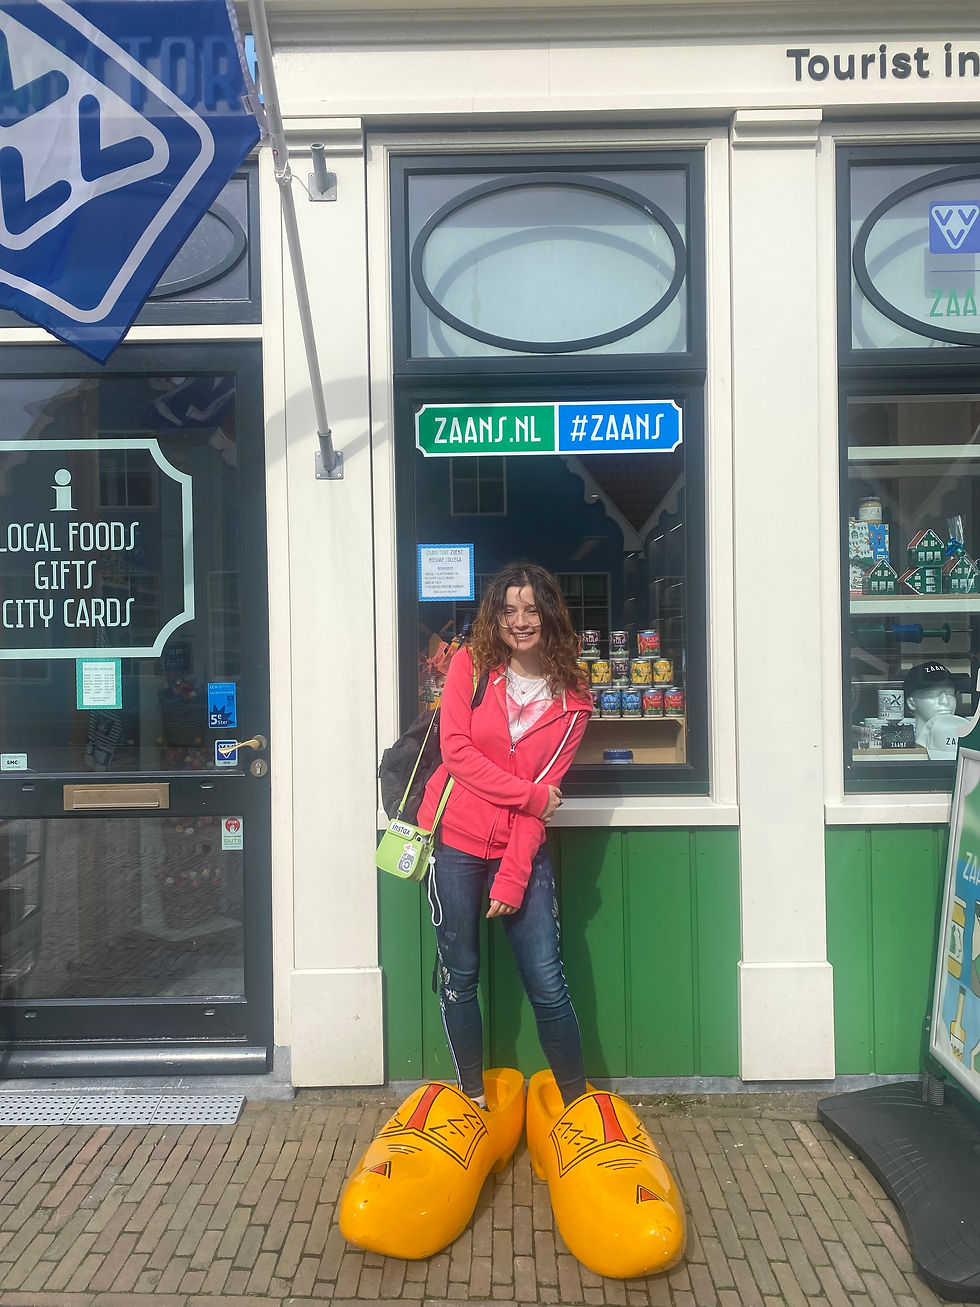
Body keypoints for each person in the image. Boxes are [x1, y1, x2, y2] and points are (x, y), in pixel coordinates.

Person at [417, 562, 594, 1110]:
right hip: (455, 841)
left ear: (550, 616)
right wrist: (532, 796)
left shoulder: (573, 699)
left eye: (532, 610)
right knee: (460, 975)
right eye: (509, 610)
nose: (520, 621)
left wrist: (514, 876)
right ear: (495, 617)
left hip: (519, 850)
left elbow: (544, 794)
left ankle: (574, 1104)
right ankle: (472, 1098)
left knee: (546, 980)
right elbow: (457, 753)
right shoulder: (470, 666)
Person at [903, 661, 970, 759]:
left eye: (950, 693)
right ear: (911, 703)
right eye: (933, 694)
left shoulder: (969, 739)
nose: (945, 701)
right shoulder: (907, 753)